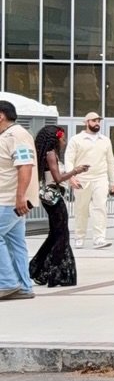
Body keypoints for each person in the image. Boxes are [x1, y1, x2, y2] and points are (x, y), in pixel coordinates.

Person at [29, 124, 87, 288]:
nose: (64, 141)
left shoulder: (46, 153)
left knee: (55, 234)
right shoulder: (51, 154)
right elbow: (58, 178)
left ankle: (38, 268)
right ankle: (56, 273)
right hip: (54, 198)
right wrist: (76, 171)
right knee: (62, 234)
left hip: (50, 197)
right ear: (56, 139)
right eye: (63, 138)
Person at [0, 100, 38, 299]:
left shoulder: (17, 135)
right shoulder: (6, 135)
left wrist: (20, 196)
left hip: (9, 200)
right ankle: (23, 286)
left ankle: (7, 282)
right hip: (9, 199)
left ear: (1, 116)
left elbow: (25, 165)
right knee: (15, 243)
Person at [69, 111, 114, 248]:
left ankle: (99, 238)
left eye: (98, 121)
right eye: (94, 121)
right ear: (86, 122)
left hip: (100, 177)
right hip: (82, 178)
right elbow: (69, 160)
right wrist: (71, 177)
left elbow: (111, 161)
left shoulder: (105, 140)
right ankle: (79, 237)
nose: (97, 123)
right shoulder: (76, 140)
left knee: (100, 207)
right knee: (81, 209)